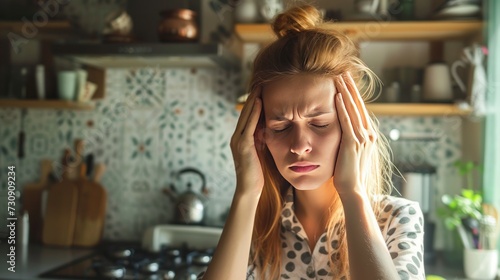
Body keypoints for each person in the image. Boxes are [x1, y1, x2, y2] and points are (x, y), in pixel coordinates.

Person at [200, 4, 425, 280]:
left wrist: (353, 193)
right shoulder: (254, 226)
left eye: (320, 123)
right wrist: (246, 194)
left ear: (353, 127)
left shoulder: (397, 219)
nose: (299, 145)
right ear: (260, 133)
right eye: (280, 126)